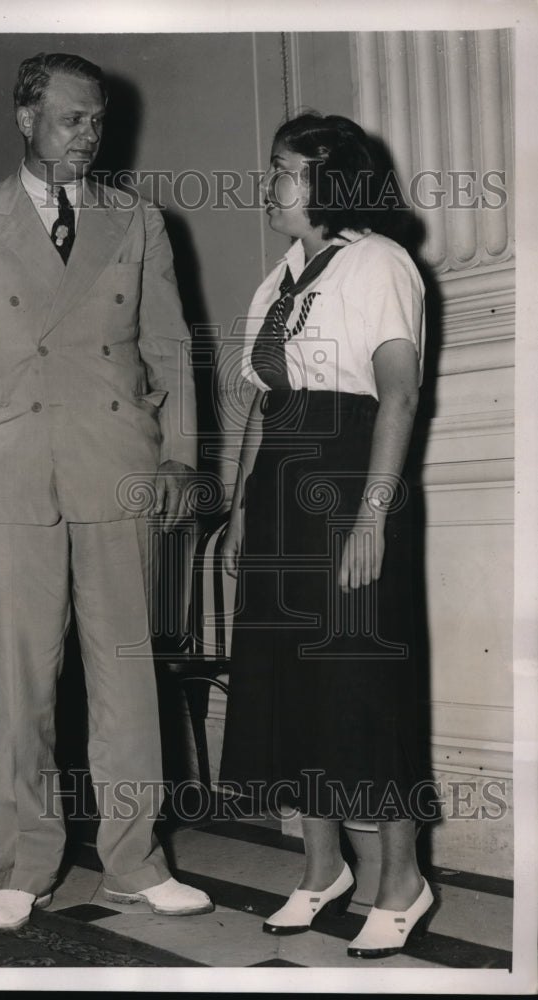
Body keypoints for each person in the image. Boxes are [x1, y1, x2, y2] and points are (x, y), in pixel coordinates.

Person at [0, 52, 213, 930]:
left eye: (97, 121)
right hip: (5, 472)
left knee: (125, 673)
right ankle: (24, 864)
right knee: (22, 684)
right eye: (71, 119)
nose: (89, 136)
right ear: (25, 118)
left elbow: (171, 348)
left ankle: (133, 861)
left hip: (115, 462)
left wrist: (180, 455)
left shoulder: (139, 221)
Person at [218, 113, 434, 958]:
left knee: (356, 686)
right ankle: (320, 870)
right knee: (284, 687)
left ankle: (401, 879)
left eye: (282, 169)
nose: (267, 183)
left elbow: (400, 397)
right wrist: (240, 510)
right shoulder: (277, 279)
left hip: (350, 482)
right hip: (279, 492)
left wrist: (371, 514)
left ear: (327, 180)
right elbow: (261, 407)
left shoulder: (378, 263)